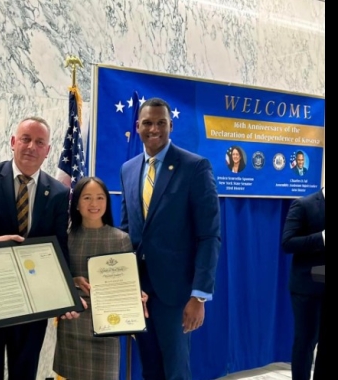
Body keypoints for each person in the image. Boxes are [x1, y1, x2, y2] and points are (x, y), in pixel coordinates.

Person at [0, 116, 84, 380]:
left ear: (48, 151)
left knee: (24, 374)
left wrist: (67, 292)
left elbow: (59, 245)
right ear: (13, 142)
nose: (31, 147)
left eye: (39, 142)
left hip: (33, 304)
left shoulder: (59, 192)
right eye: (25, 139)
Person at [119, 97, 221, 380]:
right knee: (150, 368)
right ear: (138, 126)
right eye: (148, 123)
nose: (154, 129)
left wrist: (199, 295)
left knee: (176, 370)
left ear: (171, 125)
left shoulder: (195, 167)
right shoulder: (127, 169)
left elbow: (209, 235)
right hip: (139, 291)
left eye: (161, 122)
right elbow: (127, 232)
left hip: (176, 294)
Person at [53, 176, 149, 380]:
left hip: (107, 327)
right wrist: (72, 281)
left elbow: (127, 282)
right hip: (73, 325)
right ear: (77, 203)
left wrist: (136, 295)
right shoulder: (65, 237)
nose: (94, 204)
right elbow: (55, 279)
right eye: (87, 198)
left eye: (100, 197)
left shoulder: (121, 239)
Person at [281, 187, 325, 380]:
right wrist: (322, 238)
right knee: (305, 343)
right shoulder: (304, 204)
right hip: (307, 289)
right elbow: (288, 242)